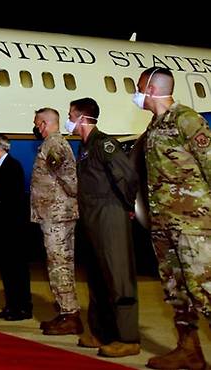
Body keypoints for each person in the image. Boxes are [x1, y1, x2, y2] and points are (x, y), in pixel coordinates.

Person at [132, 67, 210, 369]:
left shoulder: (186, 120)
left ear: (151, 89)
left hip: (194, 225)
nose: (135, 94)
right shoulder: (154, 126)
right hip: (165, 224)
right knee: (177, 292)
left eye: (139, 87)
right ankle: (189, 351)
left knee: (205, 290)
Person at [68, 98, 140, 357]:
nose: (69, 121)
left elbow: (127, 175)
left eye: (71, 115)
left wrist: (127, 205)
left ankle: (128, 338)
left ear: (83, 118)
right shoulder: (84, 147)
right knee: (97, 277)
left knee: (118, 276)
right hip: (91, 216)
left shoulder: (104, 144)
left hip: (109, 213)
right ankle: (101, 332)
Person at [30, 107, 83, 335]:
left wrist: (68, 201)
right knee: (61, 264)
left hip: (57, 216)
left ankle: (70, 315)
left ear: (44, 123)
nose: (35, 128)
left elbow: (69, 178)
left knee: (59, 264)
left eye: (37, 123)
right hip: (56, 214)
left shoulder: (54, 144)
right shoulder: (54, 144)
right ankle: (67, 311)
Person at [0, 135, 32, 321]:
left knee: (16, 268)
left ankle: (22, 308)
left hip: (13, 228)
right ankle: (11, 306)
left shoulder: (13, 166)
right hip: (3, 227)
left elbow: (12, 194)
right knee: (7, 269)